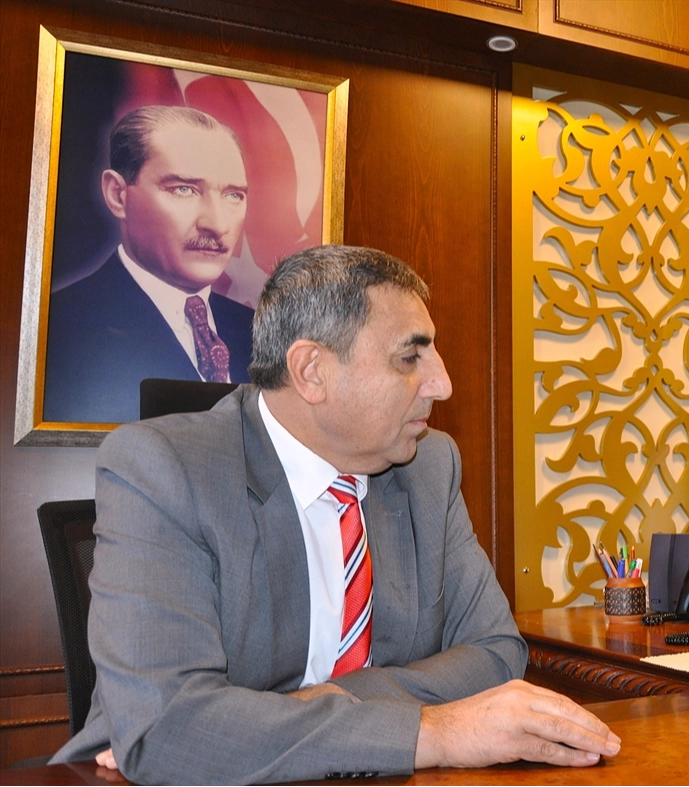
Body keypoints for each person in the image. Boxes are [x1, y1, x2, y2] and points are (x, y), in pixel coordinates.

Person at [49, 245, 620, 784]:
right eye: (410, 357)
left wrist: (306, 709)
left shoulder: (429, 466)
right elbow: (169, 729)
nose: (442, 383)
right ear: (312, 371)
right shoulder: (161, 469)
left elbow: (495, 653)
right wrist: (434, 732)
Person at [42, 105, 255, 425]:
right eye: (184, 189)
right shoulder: (58, 329)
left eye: (233, 195)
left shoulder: (260, 332)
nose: (217, 224)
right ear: (117, 195)